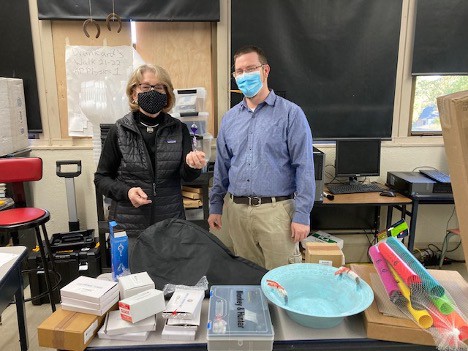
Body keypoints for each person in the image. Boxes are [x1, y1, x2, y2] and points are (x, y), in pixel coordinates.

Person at [208, 46, 315, 270]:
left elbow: (304, 167)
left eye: (250, 68)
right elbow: (222, 168)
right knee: (248, 279)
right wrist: (216, 206)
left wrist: (302, 214)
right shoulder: (229, 119)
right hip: (236, 212)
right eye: (239, 71)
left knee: (283, 281)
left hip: (276, 214)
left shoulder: (290, 114)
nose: (244, 75)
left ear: (265, 71)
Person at [95, 63, 206, 244]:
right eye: (145, 87)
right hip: (130, 226)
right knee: (132, 272)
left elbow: (186, 176)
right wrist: (127, 192)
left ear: (167, 94)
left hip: (169, 225)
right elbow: (101, 178)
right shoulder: (119, 130)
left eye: (159, 87)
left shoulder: (178, 129)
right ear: (133, 93)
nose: (152, 92)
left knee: (169, 271)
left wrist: (193, 166)